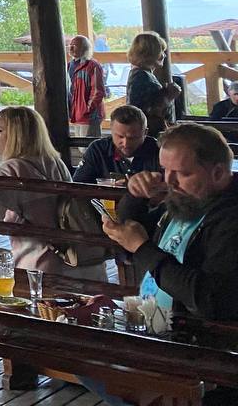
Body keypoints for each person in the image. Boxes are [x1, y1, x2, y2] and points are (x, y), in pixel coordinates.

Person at [101, 124, 238, 404]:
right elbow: (135, 238)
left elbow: (209, 298)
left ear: (218, 173)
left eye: (182, 173)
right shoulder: (188, 200)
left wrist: (142, 248)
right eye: (165, 170)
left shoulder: (229, 219)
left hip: (209, 351)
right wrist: (135, 196)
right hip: (163, 329)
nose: (170, 182)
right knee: (83, 354)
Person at [0, 106, 108, 278]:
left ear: (17, 135)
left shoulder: (10, 170)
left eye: (0, 130)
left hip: (41, 267)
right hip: (80, 261)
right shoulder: (56, 162)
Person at [73, 105, 160, 185]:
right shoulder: (98, 150)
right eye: (120, 136)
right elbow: (78, 186)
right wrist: (110, 189)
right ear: (111, 131)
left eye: (133, 138)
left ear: (145, 133)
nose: (126, 143)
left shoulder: (159, 151)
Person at [126, 31, 179, 137]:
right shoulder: (142, 77)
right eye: (161, 51)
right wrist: (168, 95)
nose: (164, 55)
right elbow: (149, 111)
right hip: (150, 133)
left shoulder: (139, 73)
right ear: (150, 54)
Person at [68, 35, 106, 137]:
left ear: (84, 48)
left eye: (75, 45)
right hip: (76, 115)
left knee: (89, 144)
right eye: (70, 45)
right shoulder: (70, 65)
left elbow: (98, 91)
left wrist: (87, 109)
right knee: (79, 144)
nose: (71, 48)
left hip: (90, 116)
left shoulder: (92, 65)